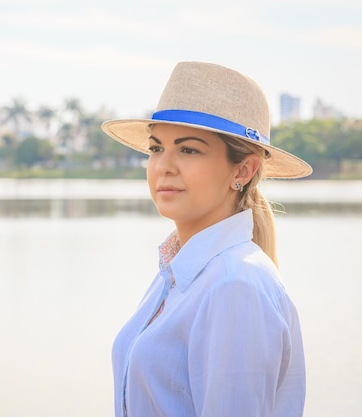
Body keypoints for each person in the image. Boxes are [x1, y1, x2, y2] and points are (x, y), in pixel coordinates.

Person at [101, 62, 312, 417]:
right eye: (156, 149)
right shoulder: (177, 272)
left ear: (242, 170)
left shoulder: (235, 285)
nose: (164, 166)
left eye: (188, 150)